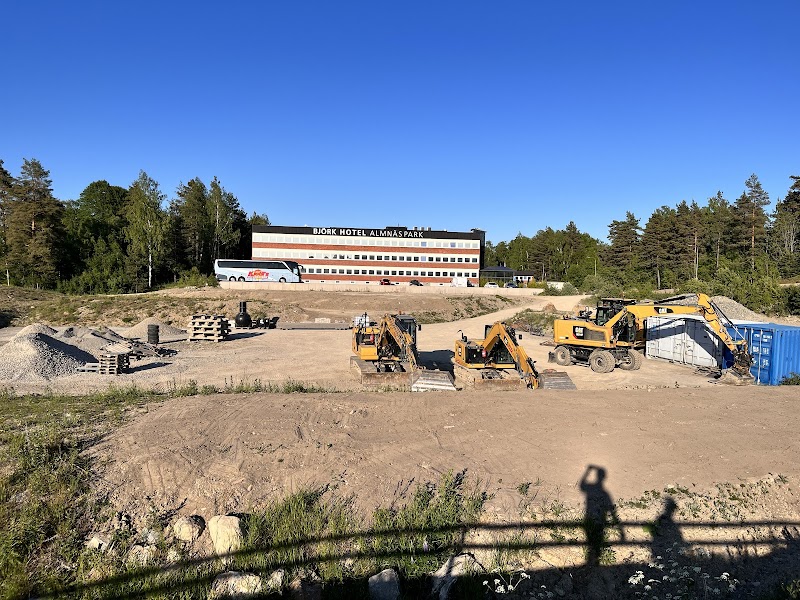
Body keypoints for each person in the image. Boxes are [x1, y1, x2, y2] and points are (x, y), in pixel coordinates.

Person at [580, 465, 624, 565]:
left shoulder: (591, 488)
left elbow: (581, 485)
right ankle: (595, 560)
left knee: (589, 539)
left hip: (589, 517)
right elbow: (612, 511)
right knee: (597, 540)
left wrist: (587, 471)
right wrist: (620, 530)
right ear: (604, 477)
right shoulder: (605, 493)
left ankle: (592, 560)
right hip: (601, 521)